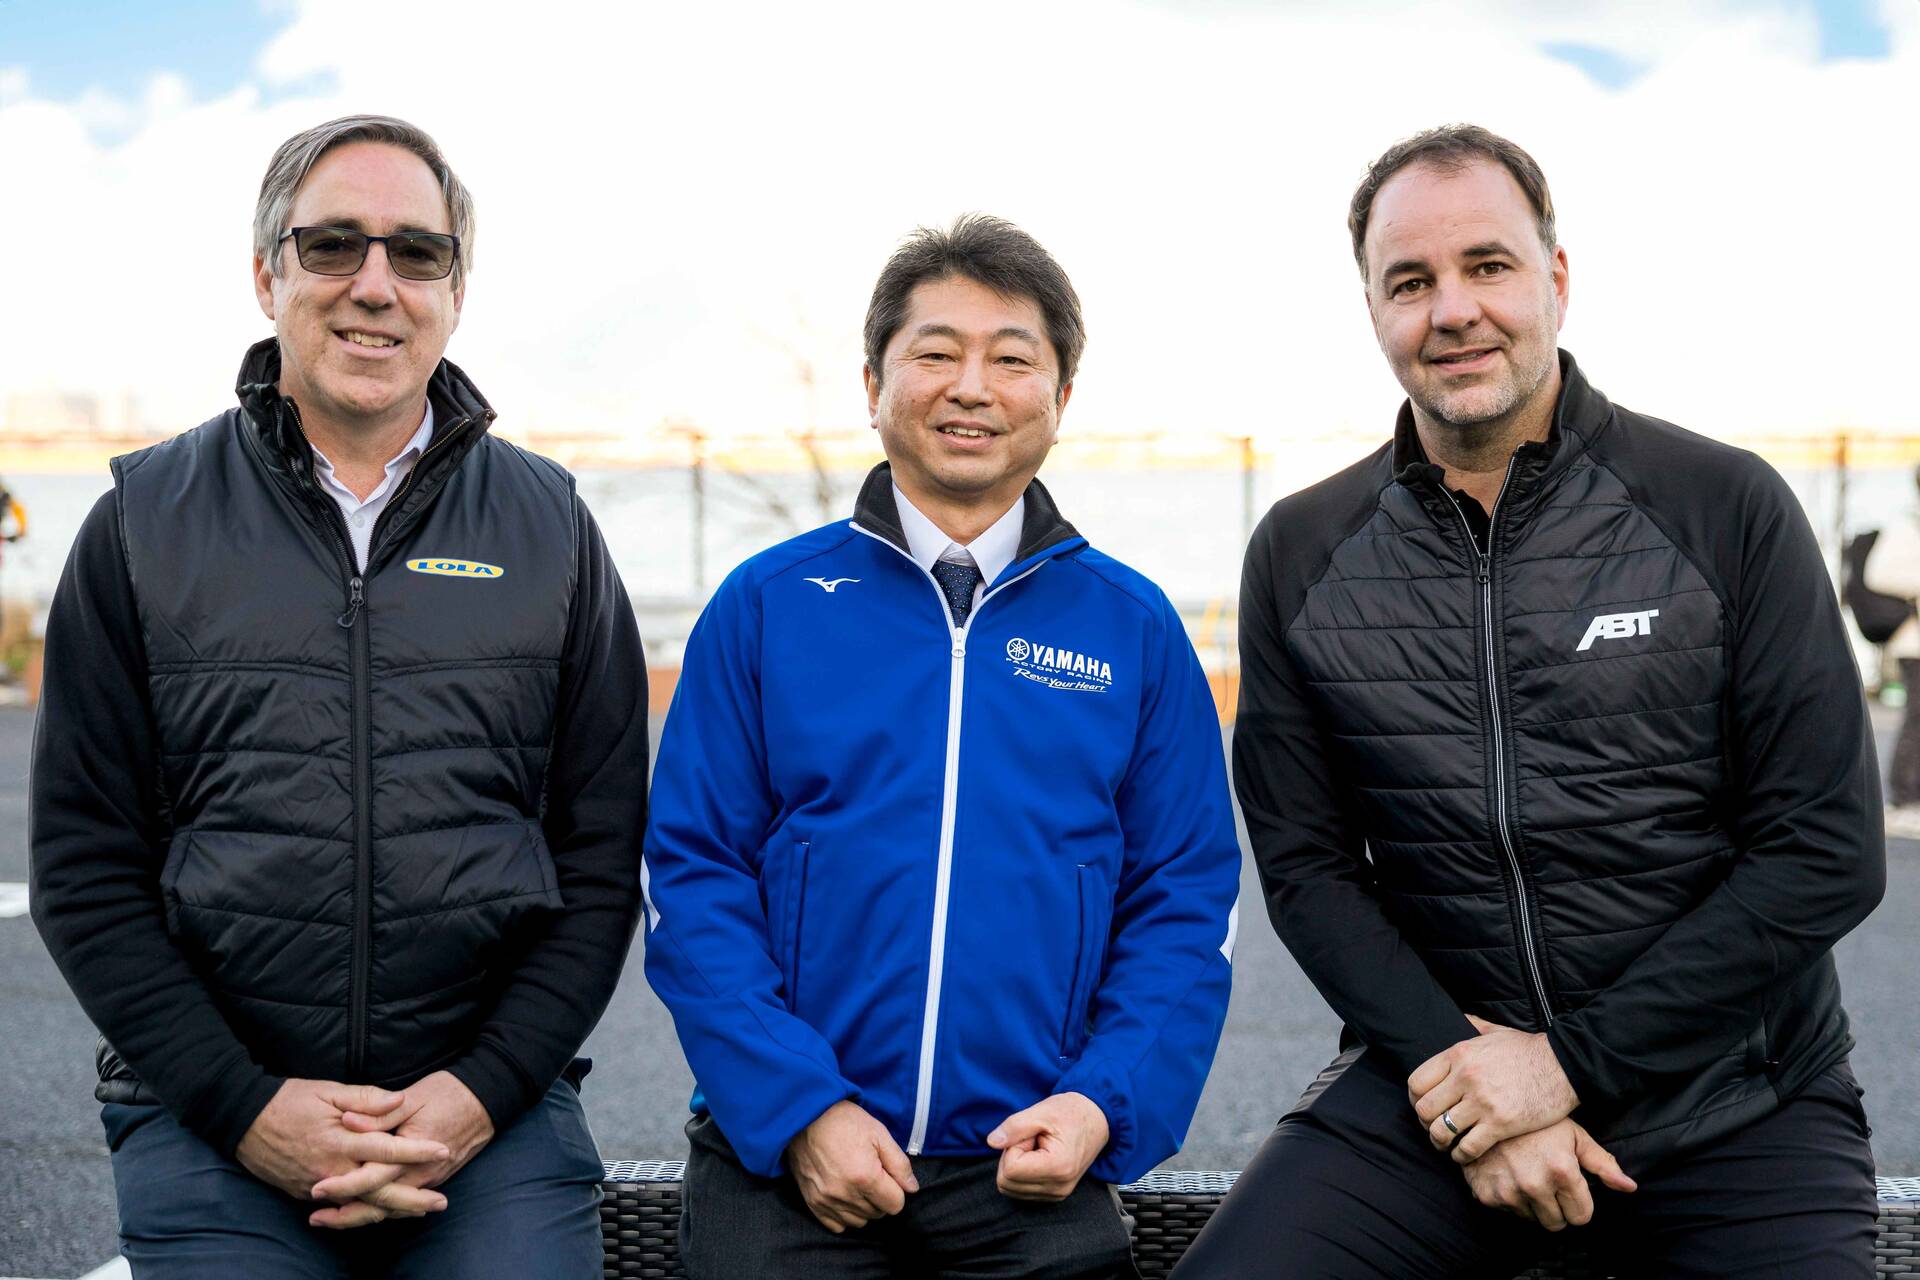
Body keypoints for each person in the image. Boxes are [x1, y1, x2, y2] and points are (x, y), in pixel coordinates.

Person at [1176, 124, 1886, 1278]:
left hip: (1737, 1098)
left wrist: (1561, 1068)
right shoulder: (1303, 550)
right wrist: (1472, 1085)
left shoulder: (1723, 505)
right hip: (1439, 1084)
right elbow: (1308, 868)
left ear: (1556, 277)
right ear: (1373, 309)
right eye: (1411, 281)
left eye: (1487, 265)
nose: (1452, 309)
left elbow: (1827, 849)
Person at [30, 115, 648, 1278]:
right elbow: (83, 864)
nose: (375, 284)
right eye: (332, 245)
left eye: (417, 252)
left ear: (455, 292)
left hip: (488, 1116)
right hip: (214, 1113)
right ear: (267, 275)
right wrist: (245, 1106)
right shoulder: (140, 524)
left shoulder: (553, 529)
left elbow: (601, 855)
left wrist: (479, 1091)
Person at [641, 214, 1240, 1279]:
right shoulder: (767, 604)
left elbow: (1186, 897)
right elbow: (691, 873)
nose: (972, 387)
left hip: (1026, 1152)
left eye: (1012, 358)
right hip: (787, 1151)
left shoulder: (1134, 627)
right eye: (935, 353)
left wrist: (1100, 1103)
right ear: (874, 383)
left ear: (1061, 397)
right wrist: (800, 1108)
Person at [1865, 464, 1920, 829]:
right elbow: (1877, 574)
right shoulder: (1907, 526)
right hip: (1913, 644)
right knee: (1917, 718)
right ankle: (1905, 797)